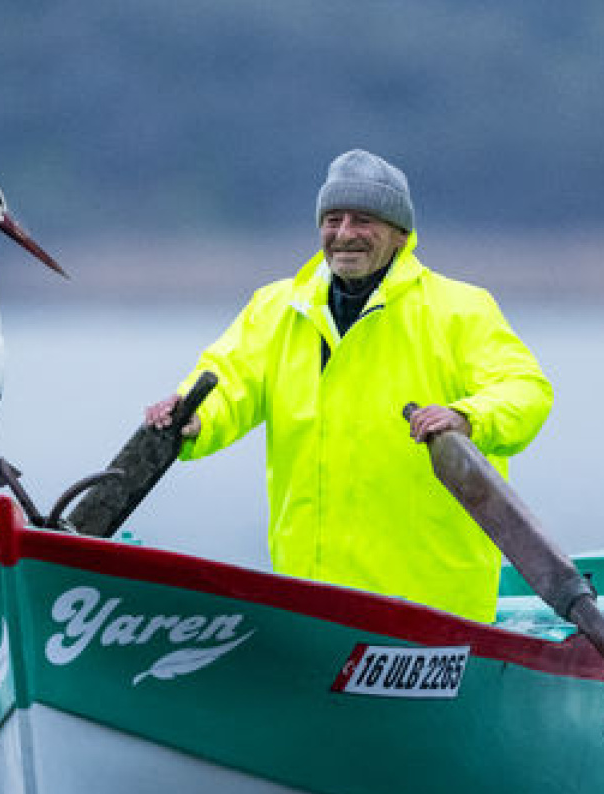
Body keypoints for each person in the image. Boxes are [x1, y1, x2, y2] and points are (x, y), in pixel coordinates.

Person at [145, 149, 553, 621]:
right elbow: (230, 380)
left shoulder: (460, 309)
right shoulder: (276, 308)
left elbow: (525, 389)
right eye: (333, 219)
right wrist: (194, 417)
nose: (344, 234)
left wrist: (468, 417)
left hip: (436, 610)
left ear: (401, 234)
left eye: (363, 220)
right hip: (311, 603)